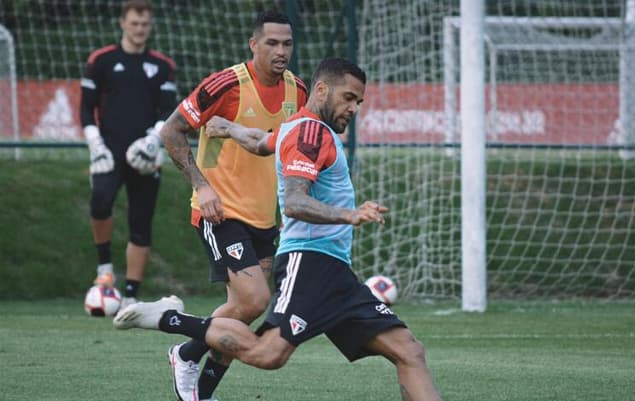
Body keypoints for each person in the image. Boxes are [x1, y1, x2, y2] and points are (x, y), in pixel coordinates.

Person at [114, 58, 442, 401]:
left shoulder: (299, 126)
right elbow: (295, 202)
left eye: (358, 102)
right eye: (347, 98)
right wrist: (350, 215)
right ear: (321, 89)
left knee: (409, 351)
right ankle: (170, 319)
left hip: (337, 274)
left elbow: (260, 141)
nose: (353, 108)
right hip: (310, 262)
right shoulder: (310, 132)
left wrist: (229, 129)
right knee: (268, 354)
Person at [130, 10, 307, 401]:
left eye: (287, 44)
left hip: (265, 216)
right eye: (272, 43)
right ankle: (182, 343)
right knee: (255, 299)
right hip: (220, 210)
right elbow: (171, 130)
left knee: (244, 311)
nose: (281, 51)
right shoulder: (226, 84)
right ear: (254, 44)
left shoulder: (299, 91)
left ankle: (196, 377)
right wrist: (202, 186)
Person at [79, 0, 177, 307]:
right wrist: (95, 143)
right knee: (101, 201)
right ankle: (104, 271)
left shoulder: (163, 65)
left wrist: (153, 141)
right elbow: (85, 108)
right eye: (134, 23)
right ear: (123, 23)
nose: (139, 29)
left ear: (150, 26)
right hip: (109, 150)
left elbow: (169, 112)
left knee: (141, 221)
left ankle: (131, 295)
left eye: (145, 24)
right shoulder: (102, 60)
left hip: (145, 155)